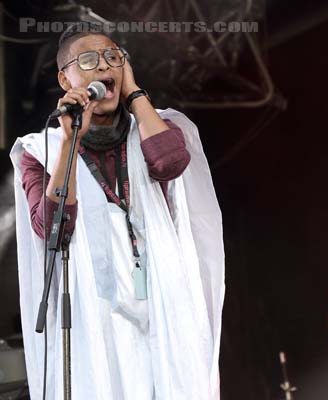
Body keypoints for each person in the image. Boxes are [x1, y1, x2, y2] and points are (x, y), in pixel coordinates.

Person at [10, 27, 224, 399]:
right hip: (96, 315)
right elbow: (53, 229)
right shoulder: (41, 149)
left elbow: (170, 162)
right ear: (65, 78)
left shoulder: (155, 126)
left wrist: (135, 93)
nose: (104, 66)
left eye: (114, 57)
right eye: (88, 60)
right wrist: (68, 142)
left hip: (163, 299)